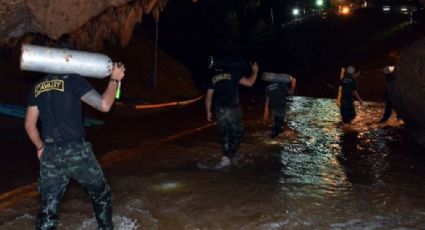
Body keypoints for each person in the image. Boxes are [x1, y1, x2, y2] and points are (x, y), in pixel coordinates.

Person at [24, 58, 125, 229]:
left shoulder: (38, 86)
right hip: (76, 151)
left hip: (49, 154)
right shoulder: (73, 80)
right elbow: (104, 105)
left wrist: (40, 147)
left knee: (49, 210)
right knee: (101, 194)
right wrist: (114, 79)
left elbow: (29, 125)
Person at [205, 61, 259, 168]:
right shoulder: (234, 73)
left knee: (224, 133)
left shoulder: (214, 77)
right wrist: (255, 72)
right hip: (233, 109)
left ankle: (225, 156)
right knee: (238, 134)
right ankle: (230, 156)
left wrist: (208, 111)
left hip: (219, 109)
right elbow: (250, 83)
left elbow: (208, 97)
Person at [379, 51, 400, 123]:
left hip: (397, 89)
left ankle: (399, 117)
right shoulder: (390, 68)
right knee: (389, 104)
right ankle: (385, 118)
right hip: (391, 89)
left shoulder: (398, 67)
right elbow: (386, 70)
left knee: (398, 104)